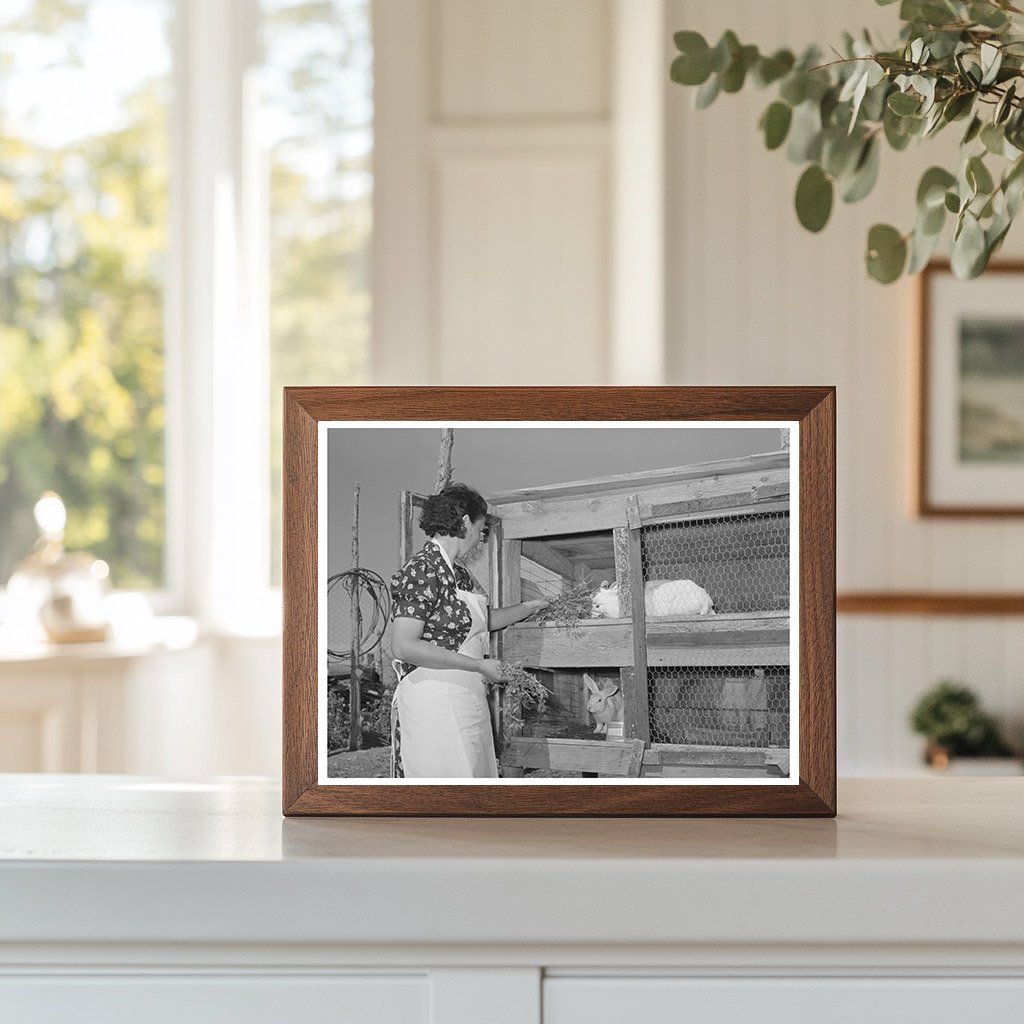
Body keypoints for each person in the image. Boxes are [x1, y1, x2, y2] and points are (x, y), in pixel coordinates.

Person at [389, 482, 548, 778]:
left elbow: (480, 621)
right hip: (433, 699)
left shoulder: (459, 573)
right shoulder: (422, 569)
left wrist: (529, 608)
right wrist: (478, 665)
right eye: (480, 528)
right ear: (464, 524)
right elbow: (403, 646)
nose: (480, 537)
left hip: (466, 696)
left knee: (474, 778)